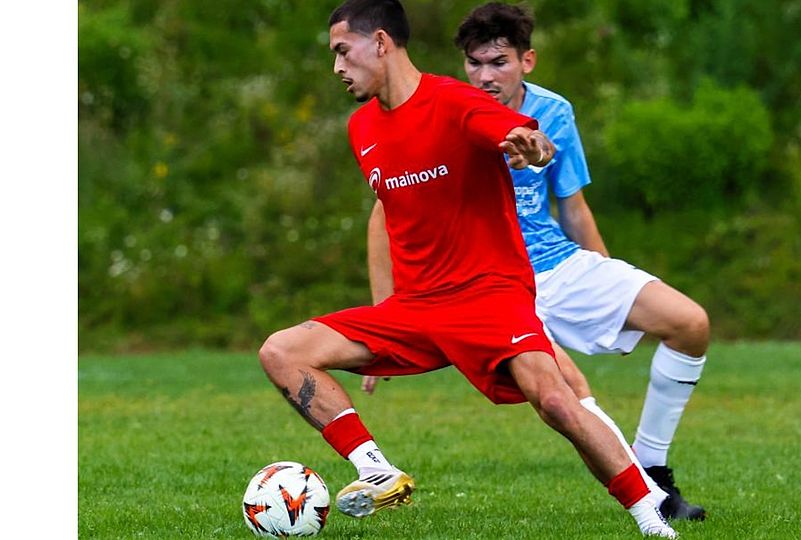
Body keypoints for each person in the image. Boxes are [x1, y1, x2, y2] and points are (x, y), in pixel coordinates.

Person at [258, 0, 677, 537]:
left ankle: (651, 517)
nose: (337, 67)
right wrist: (385, 306)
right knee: (282, 351)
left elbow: (523, 136)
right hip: (417, 309)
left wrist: (533, 147)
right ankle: (376, 470)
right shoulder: (362, 128)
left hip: (489, 295)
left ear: (380, 43)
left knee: (555, 400)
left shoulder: (455, 101)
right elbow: (387, 217)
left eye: (343, 51)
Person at [364, 1, 710, 522]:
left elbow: (572, 205)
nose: (485, 76)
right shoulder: (447, 110)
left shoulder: (554, 112)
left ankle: (652, 467)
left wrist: (608, 280)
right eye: (475, 63)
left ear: (527, 61)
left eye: (498, 62)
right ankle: (652, 500)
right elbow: (384, 213)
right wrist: (384, 313)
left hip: (559, 263)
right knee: (567, 389)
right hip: (491, 280)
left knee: (690, 324)